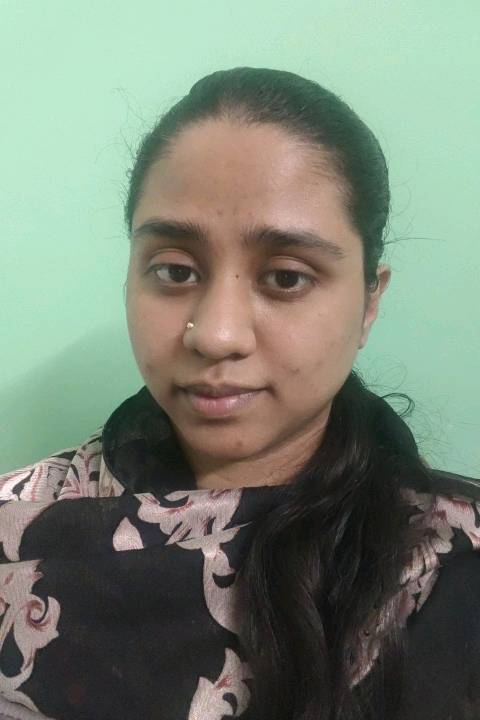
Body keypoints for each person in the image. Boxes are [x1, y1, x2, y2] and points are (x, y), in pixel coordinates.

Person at [0, 67, 478, 720]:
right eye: (175, 270)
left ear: (369, 302)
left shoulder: (455, 564)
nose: (216, 335)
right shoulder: (19, 523)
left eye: (286, 277)